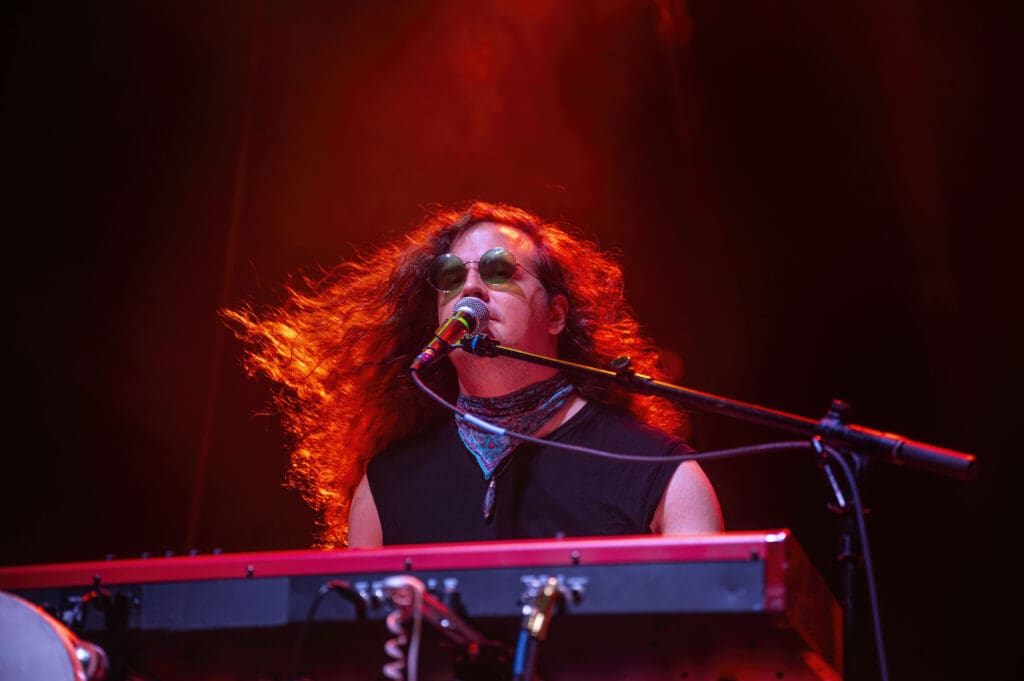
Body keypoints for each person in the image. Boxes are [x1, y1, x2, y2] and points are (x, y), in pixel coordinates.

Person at [225, 201, 723, 549]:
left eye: (498, 270)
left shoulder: (661, 475)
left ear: (555, 314)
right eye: (450, 276)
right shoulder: (386, 489)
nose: (470, 288)